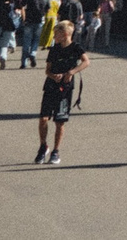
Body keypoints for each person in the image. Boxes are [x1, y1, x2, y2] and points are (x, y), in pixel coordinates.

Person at [34, 17, 87, 165]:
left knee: (59, 121)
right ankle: (43, 146)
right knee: (44, 118)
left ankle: (56, 151)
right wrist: (53, 76)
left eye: (56, 34)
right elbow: (47, 70)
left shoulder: (76, 48)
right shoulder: (54, 49)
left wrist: (71, 72)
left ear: (65, 34)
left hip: (65, 89)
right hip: (50, 86)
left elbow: (86, 61)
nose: (54, 37)